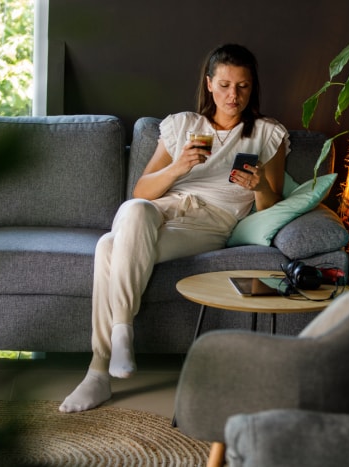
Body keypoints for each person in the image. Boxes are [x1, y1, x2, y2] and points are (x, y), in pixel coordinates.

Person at [59, 44, 289, 413]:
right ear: (210, 84)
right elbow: (141, 191)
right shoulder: (183, 125)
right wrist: (178, 167)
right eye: (226, 85)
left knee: (107, 247)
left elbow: (271, 206)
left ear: (252, 87)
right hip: (161, 208)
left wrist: (260, 185)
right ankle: (121, 331)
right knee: (134, 209)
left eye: (243, 86)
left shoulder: (267, 134)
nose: (234, 95)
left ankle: (98, 371)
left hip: (209, 221)